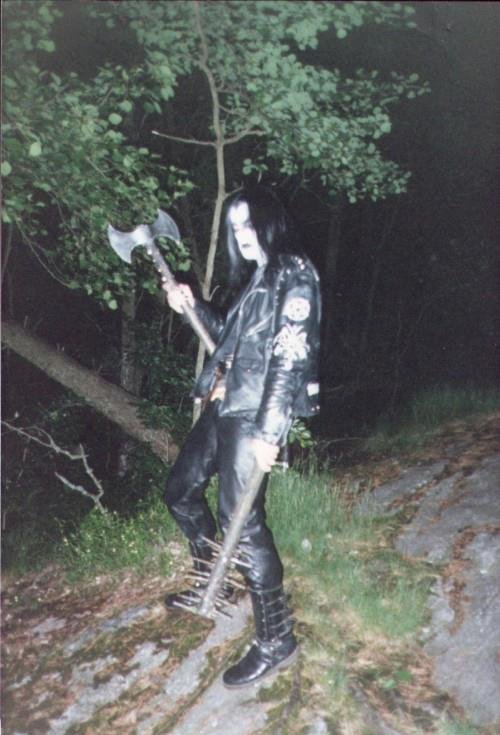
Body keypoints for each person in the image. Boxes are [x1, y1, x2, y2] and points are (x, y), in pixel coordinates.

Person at [162, 185, 321, 688]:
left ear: (271, 221)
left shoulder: (294, 272)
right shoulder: (258, 279)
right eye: (234, 228)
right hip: (226, 403)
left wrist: (269, 432)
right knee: (179, 490)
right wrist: (190, 304)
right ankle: (216, 579)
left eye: (249, 223)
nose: (242, 235)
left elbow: (289, 356)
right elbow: (229, 342)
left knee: (242, 523)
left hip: (254, 414)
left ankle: (276, 640)